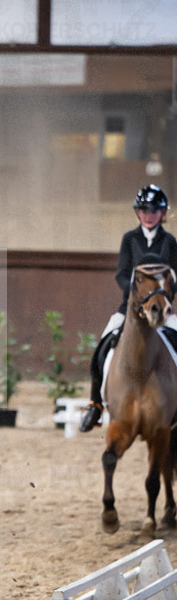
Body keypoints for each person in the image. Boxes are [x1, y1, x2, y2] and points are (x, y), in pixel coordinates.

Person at [79, 183, 177, 432]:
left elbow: (175, 276)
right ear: (138, 213)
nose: (148, 215)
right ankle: (96, 404)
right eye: (144, 210)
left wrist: (164, 297)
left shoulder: (170, 242)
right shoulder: (130, 239)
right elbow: (122, 274)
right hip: (131, 309)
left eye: (153, 211)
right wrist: (135, 292)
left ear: (162, 213)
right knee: (103, 344)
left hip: (162, 310)